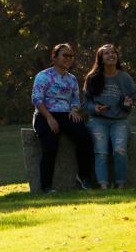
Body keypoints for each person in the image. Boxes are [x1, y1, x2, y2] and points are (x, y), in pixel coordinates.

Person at [31, 43, 96, 192]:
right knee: (50, 145)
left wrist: (74, 110)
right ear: (54, 57)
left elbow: (74, 99)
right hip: (44, 114)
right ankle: (46, 186)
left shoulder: (71, 79)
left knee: (85, 136)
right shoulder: (43, 76)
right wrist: (49, 118)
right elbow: (37, 100)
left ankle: (83, 176)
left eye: (70, 56)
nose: (68, 59)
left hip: (66, 115)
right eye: (64, 55)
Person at [82, 43, 136, 189]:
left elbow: (135, 99)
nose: (111, 55)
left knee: (119, 150)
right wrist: (95, 108)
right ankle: (103, 186)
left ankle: (120, 185)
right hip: (97, 121)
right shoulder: (92, 77)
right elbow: (85, 103)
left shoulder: (125, 77)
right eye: (106, 53)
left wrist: (128, 104)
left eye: (113, 53)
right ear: (100, 59)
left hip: (119, 121)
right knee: (101, 152)